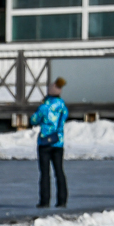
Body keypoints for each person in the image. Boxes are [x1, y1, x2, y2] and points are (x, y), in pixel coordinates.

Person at [31, 77, 69, 208]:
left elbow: (34, 120)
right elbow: (64, 118)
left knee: (45, 174)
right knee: (59, 172)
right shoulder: (62, 106)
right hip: (58, 143)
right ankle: (62, 200)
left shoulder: (44, 107)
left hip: (44, 143)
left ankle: (45, 201)